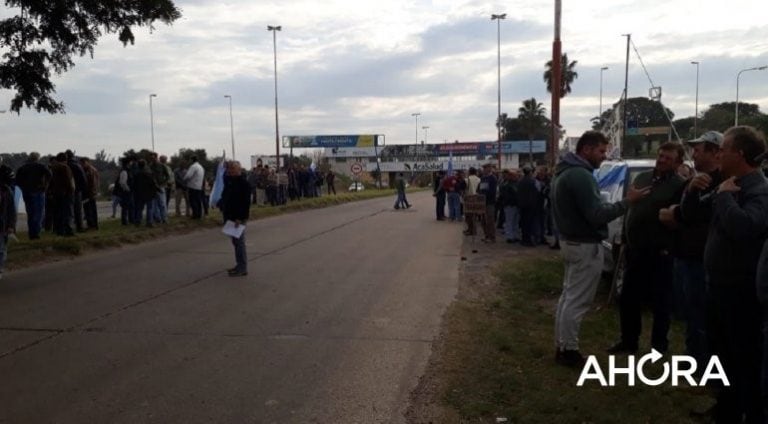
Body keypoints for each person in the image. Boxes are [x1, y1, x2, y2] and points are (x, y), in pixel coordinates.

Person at [550, 131, 649, 367]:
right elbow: (596, 215)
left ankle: (563, 345)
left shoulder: (565, 172)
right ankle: (569, 350)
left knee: (568, 297)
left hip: (571, 241)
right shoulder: (580, 176)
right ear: (586, 150)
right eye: (601, 151)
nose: (604, 157)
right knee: (577, 301)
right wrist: (628, 201)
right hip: (584, 244)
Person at [705, 126, 767, 423]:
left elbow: (746, 228)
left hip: (741, 291)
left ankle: (748, 413)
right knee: (722, 354)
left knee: (744, 359)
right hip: (719, 285)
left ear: (739, 154)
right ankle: (726, 409)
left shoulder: (758, 190)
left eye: (724, 149)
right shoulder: (729, 183)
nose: (719, 153)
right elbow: (695, 217)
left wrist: (725, 198)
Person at [607, 142, 686, 355]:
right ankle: (628, 341)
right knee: (629, 298)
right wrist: (624, 237)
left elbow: (679, 219)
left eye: (668, 158)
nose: (661, 160)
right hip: (635, 249)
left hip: (661, 252)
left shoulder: (680, 186)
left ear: (678, 163)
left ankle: (659, 347)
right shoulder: (642, 178)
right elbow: (631, 209)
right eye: (660, 156)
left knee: (661, 302)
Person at [658, 131, 724, 369]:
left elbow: (688, 217)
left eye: (698, 149)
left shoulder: (722, 182)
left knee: (703, 315)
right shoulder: (693, 183)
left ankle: (703, 364)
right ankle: (692, 357)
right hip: (683, 256)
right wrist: (686, 199)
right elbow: (667, 214)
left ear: (716, 152)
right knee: (690, 313)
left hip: (703, 260)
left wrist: (679, 214)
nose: (693, 154)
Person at [221, 161, 251, 277]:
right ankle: (239, 265)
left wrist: (240, 217)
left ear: (239, 170)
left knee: (239, 243)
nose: (230, 171)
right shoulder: (229, 181)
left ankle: (242, 267)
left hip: (238, 218)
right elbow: (226, 196)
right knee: (235, 242)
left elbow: (245, 203)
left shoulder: (244, 184)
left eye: (233, 169)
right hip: (229, 216)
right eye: (229, 169)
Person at [15, 152, 51, 239]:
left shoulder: (22, 167)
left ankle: (31, 232)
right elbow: (49, 174)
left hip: (26, 192)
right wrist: (45, 185)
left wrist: (23, 187)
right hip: (38, 191)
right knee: (38, 213)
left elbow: (17, 180)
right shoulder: (41, 166)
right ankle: (35, 233)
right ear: (37, 158)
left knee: (30, 213)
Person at [0, 164, 16, 280]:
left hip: (2, 225)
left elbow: (12, 210)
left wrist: (11, 225)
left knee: (1, 249)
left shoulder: (6, 191)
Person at [65, 150, 87, 232]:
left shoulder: (65, 165)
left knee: (68, 210)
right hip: (77, 190)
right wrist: (82, 189)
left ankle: (68, 227)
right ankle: (79, 227)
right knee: (78, 210)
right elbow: (83, 179)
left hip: (66, 191)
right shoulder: (77, 166)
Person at [498, 169, 520, 243]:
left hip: (515, 205)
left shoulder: (515, 183)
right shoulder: (506, 185)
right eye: (515, 175)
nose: (516, 177)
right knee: (510, 221)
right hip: (510, 205)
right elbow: (506, 196)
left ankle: (515, 236)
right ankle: (510, 237)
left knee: (515, 222)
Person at [478, 163, 498, 243]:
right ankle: (486, 236)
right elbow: (480, 188)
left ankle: (492, 237)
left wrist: (485, 195)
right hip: (482, 202)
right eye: (484, 168)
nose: (484, 169)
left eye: (486, 168)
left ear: (489, 169)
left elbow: (492, 191)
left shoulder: (493, 178)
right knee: (483, 221)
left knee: (490, 220)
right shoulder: (483, 178)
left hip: (490, 202)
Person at [79, 157, 100, 230]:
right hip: (89, 193)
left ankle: (92, 225)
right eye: (81, 163)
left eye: (83, 163)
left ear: (88, 162)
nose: (82, 165)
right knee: (89, 210)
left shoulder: (90, 170)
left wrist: (92, 193)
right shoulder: (89, 170)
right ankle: (91, 225)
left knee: (90, 210)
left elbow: (93, 183)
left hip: (90, 193)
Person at [463, 167, 481, 236]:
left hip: (468, 199)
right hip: (478, 199)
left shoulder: (466, 180)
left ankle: (472, 231)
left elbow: (461, 187)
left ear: (469, 172)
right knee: (474, 216)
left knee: (468, 216)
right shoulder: (479, 179)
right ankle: (471, 230)